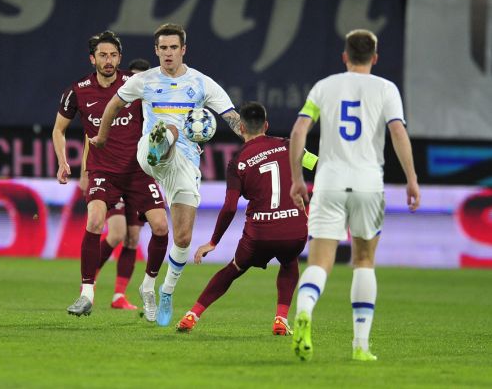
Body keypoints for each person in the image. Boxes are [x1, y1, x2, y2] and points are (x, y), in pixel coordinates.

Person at [91, 23, 242, 327]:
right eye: (163, 48)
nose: (168, 53)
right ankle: (160, 145)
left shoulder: (202, 83)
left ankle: (163, 290)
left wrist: (256, 140)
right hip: (150, 151)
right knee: (169, 128)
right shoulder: (144, 80)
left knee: (183, 238)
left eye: (174, 47)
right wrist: (102, 138)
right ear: (156, 50)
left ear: (183, 50)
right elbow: (113, 105)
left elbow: (232, 118)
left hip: (184, 164)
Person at [289, 29, 420, 362]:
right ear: (374, 57)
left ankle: (304, 310)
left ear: (345, 56)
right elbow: (397, 131)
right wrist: (411, 178)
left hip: (329, 182)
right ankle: (360, 346)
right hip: (368, 184)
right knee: (363, 261)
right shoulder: (386, 88)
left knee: (319, 262)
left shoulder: (325, 86)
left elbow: (299, 130)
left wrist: (297, 179)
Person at [52, 30, 169, 318]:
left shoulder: (135, 83)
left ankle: (148, 286)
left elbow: (161, 113)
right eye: (103, 55)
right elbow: (59, 129)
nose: (109, 60)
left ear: (120, 58)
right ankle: (86, 293)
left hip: (139, 171)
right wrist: (63, 162)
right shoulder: (78, 91)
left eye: (113, 55)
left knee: (160, 227)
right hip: (103, 171)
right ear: (92, 59)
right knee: (95, 220)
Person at [175, 102, 308, 335]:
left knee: (234, 268)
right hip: (294, 229)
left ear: (242, 128)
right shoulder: (288, 145)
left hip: (260, 234)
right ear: (266, 125)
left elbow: (229, 207)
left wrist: (213, 241)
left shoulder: (237, 162)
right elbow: (317, 163)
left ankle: (192, 315)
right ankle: (281, 319)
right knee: (289, 262)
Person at [77, 58, 153, 310]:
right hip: (110, 173)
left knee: (132, 238)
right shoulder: (116, 100)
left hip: (138, 175)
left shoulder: (149, 108)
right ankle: (89, 281)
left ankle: (119, 296)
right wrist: (84, 171)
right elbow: (91, 137)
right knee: (118, 232)